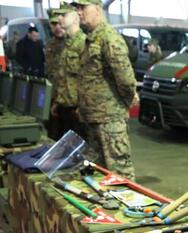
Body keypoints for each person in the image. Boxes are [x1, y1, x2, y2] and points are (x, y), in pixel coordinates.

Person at [73, 0, 137, 180]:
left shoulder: (109, 37)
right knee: (100, 174)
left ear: (97, 9)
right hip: (94, 117)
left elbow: (125, 79)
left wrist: (122, 104)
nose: (79, 12)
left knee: (120, 174)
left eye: (83, 7)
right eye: (77, 8)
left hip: (109, 119)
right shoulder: (90, 38)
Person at [49, 2, 86, 140]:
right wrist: (57, 101)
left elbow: (89, 79)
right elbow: (62, 77)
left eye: (64, 15)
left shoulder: (84, 43)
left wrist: (83, 106)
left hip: (77, 108)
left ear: (76, 18)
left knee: (78, 148)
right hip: (64, 105)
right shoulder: (65, 44)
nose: (59, 19)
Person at [44, 12, 66, 140]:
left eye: (59, 23)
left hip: (69, 98)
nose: (57, 27)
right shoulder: (49, 45)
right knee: (52, 132)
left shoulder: (73, 44)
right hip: (53, 96)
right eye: (53, 24)